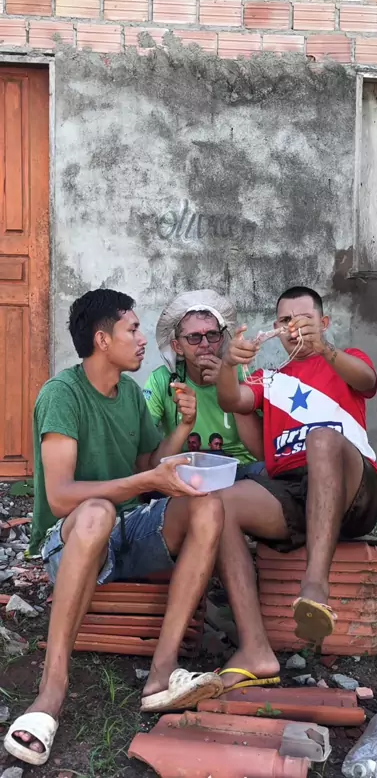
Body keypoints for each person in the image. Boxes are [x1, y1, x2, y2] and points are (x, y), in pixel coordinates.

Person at [5, 290, 224, 768]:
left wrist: (183, 427)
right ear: (102, 340)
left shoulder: (129, 394)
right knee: (96, 512)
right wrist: (146, 482)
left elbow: (148, 465)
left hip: (124, 531)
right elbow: (61, 496)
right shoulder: (62, 394)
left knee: (206, 505)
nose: (143, 339)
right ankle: (51, 690)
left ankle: (162, 672)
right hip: (71, 538)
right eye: (133, 329)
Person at [212, 286, 377, 691]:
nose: (294, 328)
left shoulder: (346, 358)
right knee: (217, 505)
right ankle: (255, 648)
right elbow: (232, 399)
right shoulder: (270, 380)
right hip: (292, 490)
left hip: (354, 487)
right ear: (275, 329)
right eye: (285, 321)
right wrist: (228, 363)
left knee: (320, 438)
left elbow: (369, 380)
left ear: (323, 323)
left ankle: (315, 587)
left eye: (304, 319)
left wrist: (325, 349)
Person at [143, 290, 264, 478]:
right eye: (194, 337)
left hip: (240, 470)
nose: (205, 344)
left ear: (221, 339)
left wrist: (228, 385)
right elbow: (150, 466)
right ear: (177, 347)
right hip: (184, 472)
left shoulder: (242, 373)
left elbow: (262, 452)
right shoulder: (163, 380)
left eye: (212, 335)